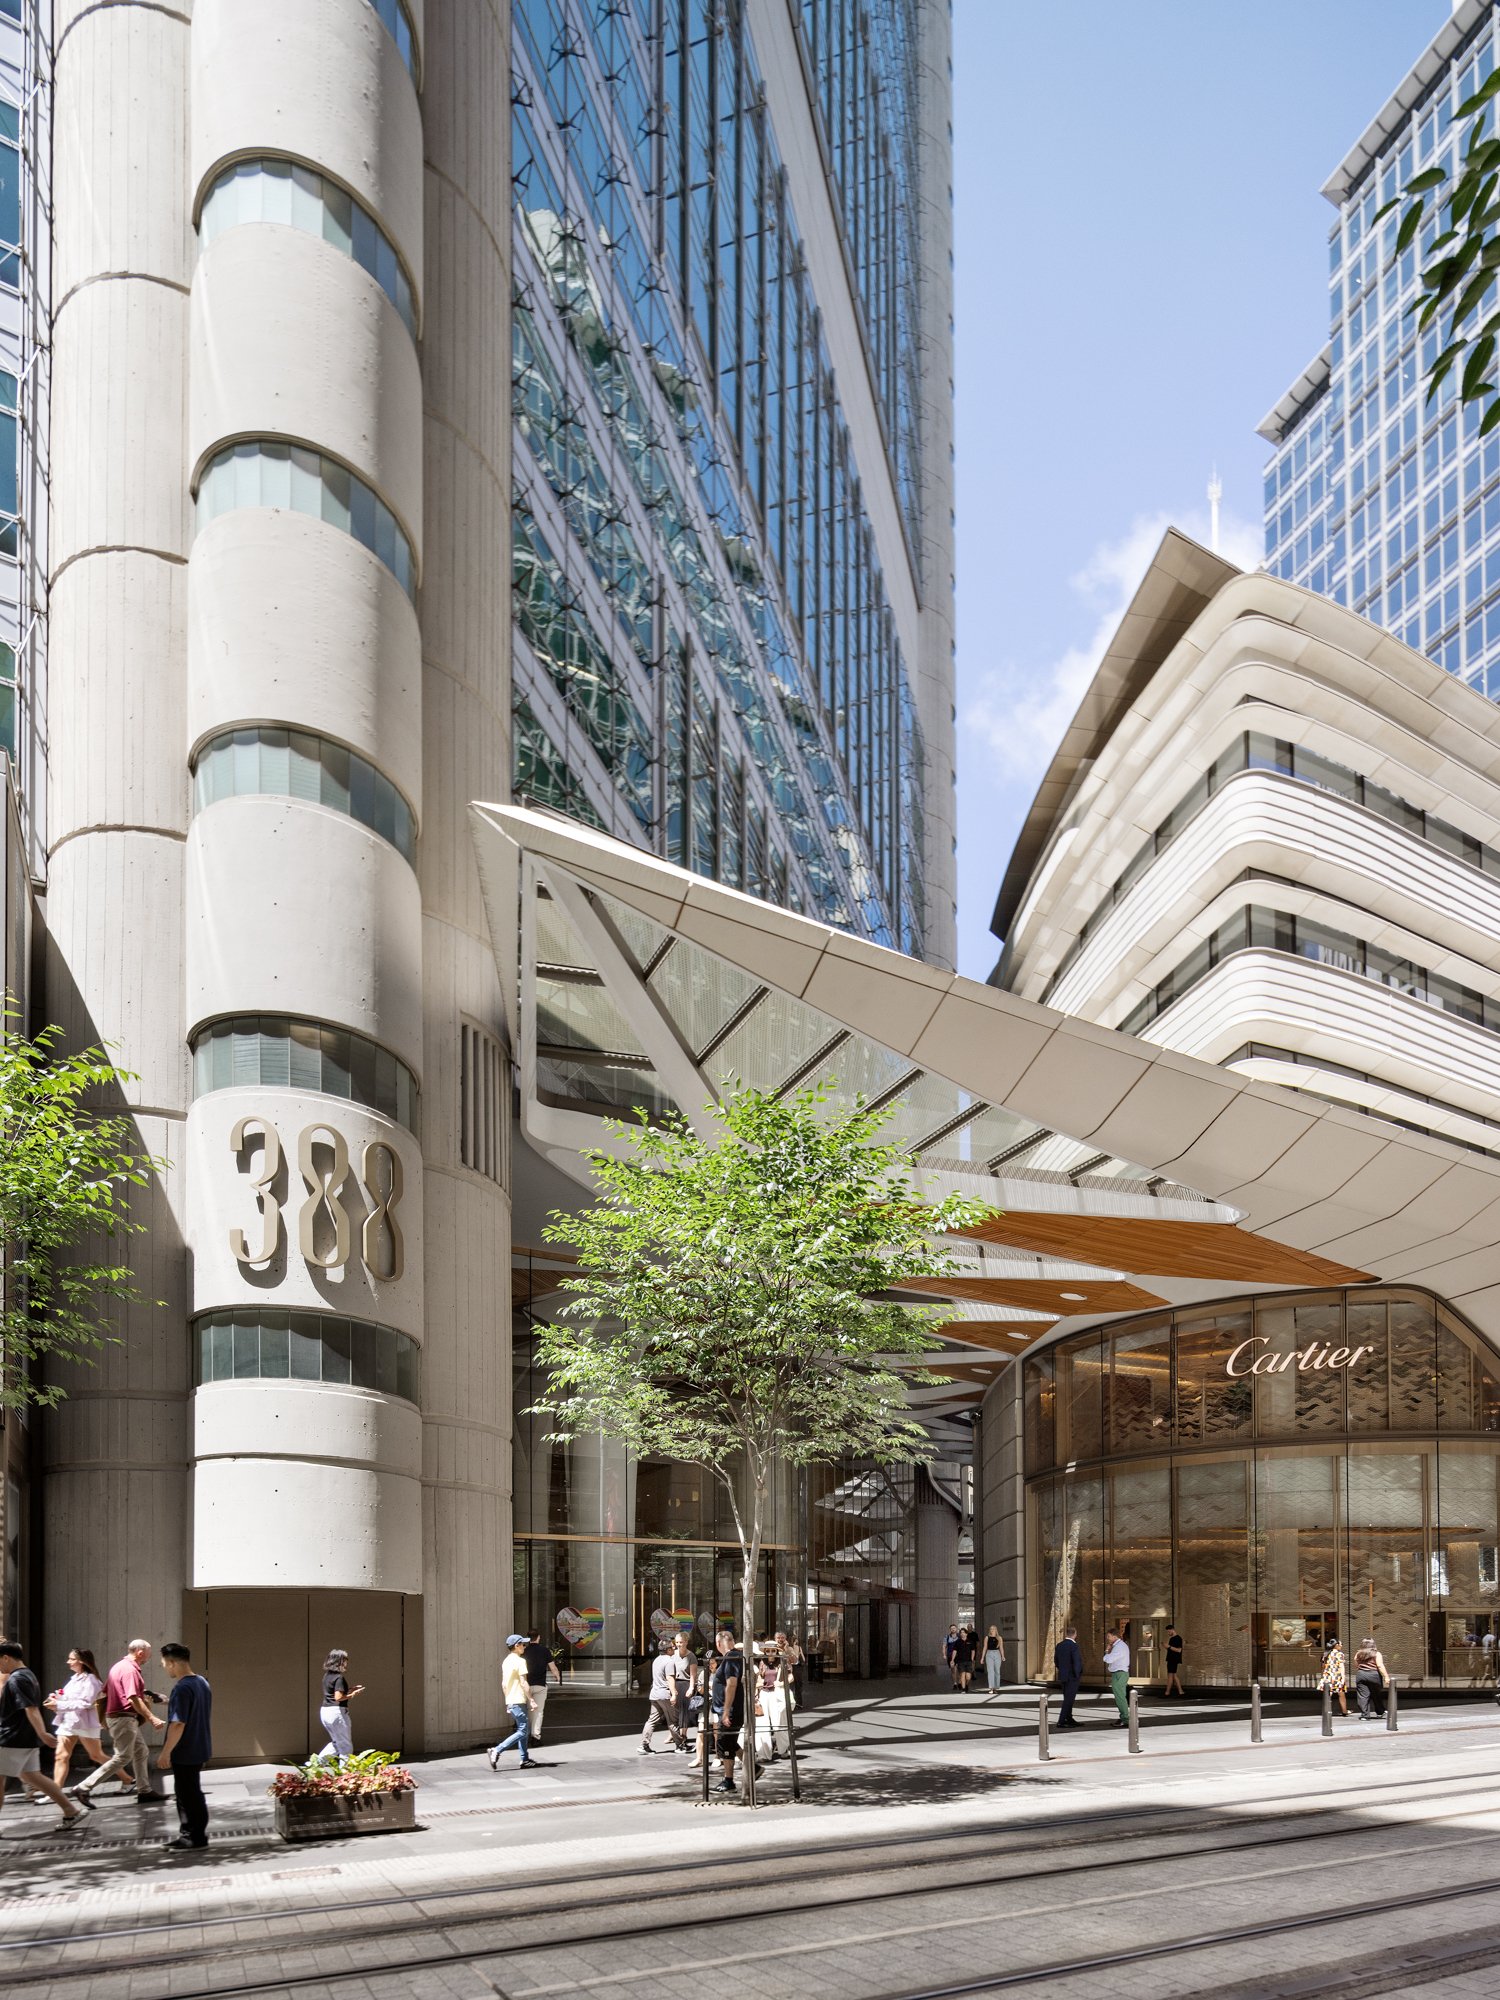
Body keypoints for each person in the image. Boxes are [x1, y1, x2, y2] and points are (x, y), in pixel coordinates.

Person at [0, 1640, 87, 1829]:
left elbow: (30, 1708)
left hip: (12, 1739)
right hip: (25, 1738)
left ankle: (71, 1810)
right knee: (33, 1776)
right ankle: (71, 1811)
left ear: (5, 1658)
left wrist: (42, 1733)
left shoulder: (17, 1679)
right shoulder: (28, 1675)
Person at [72, 1637, 167, 1807]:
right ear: (140, 1653)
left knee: (141, 1751)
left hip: (119, 1718)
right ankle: (83, 1787)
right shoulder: (130, 1670)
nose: (149, 1657)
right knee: (123, 1756)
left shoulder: (118, 1667)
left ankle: (144, 1790)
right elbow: (132, 1698)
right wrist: (152, 1718)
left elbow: (107, 1692)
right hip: (124, 1718)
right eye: (149, 1653)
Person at [156, 1643, 213, 1850]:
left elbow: (178, 1724)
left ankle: (192, 1837)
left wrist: (165, 1752)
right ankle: (197, 1835)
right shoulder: (201, 1682)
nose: (164, 1668)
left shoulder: (181, 1688)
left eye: (164, 1664)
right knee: (193, 1792)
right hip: (200, 1746)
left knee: (186, 1795)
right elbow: (192, 1706)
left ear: (172, 1663)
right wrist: (167, 1702)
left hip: (185, 1750)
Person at [46, 1648, 108, 1789]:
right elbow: (69, 1698)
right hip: (68, 1722)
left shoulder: (91, 1680)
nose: (68, 1662)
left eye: (72, 1659)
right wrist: (56, 1699)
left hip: (85, 1723)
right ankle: (56, 1791)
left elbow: (85, 1703)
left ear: (82, 1661)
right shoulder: (74, 1679)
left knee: (96, 1756)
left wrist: (59, 1704)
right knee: (61, 1756)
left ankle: (127, 1779)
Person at [710, 1629, 753, 1794]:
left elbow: (732, 1683)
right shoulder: (731, 1657)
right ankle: (752, 1768)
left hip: (730, 1710)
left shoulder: (732, 1657)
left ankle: (729, 1780)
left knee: (725, 1743)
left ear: (718, 1643)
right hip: (727, 1709)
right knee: (729, 1742)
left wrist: (726, 1711)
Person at [487, 1634, 538, 1770]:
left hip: (511, 1700)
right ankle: (496, 1750)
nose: (524, 1647)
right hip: (519, 1699)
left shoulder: (506, 1661)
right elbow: (523, 1682)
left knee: (522, 1729)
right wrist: (531, 1699)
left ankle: (524, 1759)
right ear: (516, 1646)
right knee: (523, 1731)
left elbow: (504, 1684)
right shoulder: (520, 1661)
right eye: (523, 1644)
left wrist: (508, 1702)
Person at [640, 1637, 687, 1753]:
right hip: (665, 1694)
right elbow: (670, 1678)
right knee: (673, 1720)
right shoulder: (669, 1661)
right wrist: (674, 1694)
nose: (674, 1648)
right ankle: (680, 1746)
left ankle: (644, 1745)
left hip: (655, 1694)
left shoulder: (656, 1660)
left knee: (651, 1720)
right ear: (668, 1650)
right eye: (672, 1647)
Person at [318, 1649, 363, 1759]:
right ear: (340, 1662)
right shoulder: (339, 1677)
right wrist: (353, 1694)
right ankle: (345, 1769)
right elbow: (338, 1697)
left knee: (337, 1742)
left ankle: (315, 1763)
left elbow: (333, 1693)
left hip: (325, 1711)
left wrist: (350, 1690)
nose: (346, 1663)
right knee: (345, 1745)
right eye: (345, 1660)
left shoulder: (327, 1676)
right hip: (337, 1712)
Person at [523, 1634, 560, 1744]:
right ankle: (535, 1736)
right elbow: (553, 1667)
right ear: (538, 1637)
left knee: (529, 1710)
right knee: (538, 1712)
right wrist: (557, 1676)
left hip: (527, 1685)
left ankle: (527, 1734)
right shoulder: (545, 1651)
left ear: (528, 1638)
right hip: (540, 1685)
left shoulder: (524, 1651)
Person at [1353, 1636, 1389, 1720]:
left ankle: (1365, 1715)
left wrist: (1360, 1668)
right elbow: (1380, 1665)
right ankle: (1380, 1712)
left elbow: (1355, 1662)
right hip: (1374, 1675)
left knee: (1363, 1696)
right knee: (1376, 1694)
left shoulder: (1358, 1653)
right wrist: (1386, 1676)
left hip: (1361, 1674)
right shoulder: (1376, 1653)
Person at [1054, 1624, 1082, 1729]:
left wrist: (1062, 1670)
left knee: (1067, 1698)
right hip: (1072, 1677)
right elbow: (1076, 1662)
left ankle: (1069, 1718)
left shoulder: (1059, 1645)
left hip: (1063, 1676)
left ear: (1066, 1634)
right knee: (1068, 1700)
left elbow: (1056, 1661)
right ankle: (1061, 1721)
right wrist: (1077, 1674)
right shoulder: (1074, 1646)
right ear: (1075, 1634)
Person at [1103, 1626, 1131, 1727]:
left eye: (1109, 1636)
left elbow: (1108, 1659)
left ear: (1115, 1636)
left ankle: (1125, 1719)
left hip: (1119, 1674)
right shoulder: (1119, 1646)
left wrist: (1107, 1651)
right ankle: (1124, 1717)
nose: (1107, 1638)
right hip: (1119, 1673)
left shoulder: (1119, 1647)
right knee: (1120, 1696)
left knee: (1120, 1697)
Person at [1319, 1635, 1349, 1717]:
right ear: (1336, 1645)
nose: (1341, 1645)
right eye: (1340, 1644)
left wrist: (1323, 1675)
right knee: (1341, 1694)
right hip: (1337, 1676)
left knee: (1328, 1694)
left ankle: (1326, 1710)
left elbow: (1322, 1666)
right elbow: (1341, 1666)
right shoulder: (1339, 1654)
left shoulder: (1325, 1654)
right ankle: (1344, 1711)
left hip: (1327, 1675)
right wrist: (1343, 1678)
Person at [979, 1623, 1006, 1694]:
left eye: (993, 1629)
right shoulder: (987, 1637)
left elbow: (1001, 1648)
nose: (992, 1630)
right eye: (991, 1629)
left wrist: (1003, 1656)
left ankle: (995, 1688)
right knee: (990, 1671)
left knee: (997, 1671)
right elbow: (985, 1647)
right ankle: (991, 1688)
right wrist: (982, 1658)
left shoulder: (999, 1638)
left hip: (997, 1653)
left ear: (996, 1630)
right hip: (989, 1654)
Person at [1164, 1626, 1185, 1699]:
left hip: (1173, 1660)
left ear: (1173, 1630)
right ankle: (1180, 1691)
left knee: (1171, 1675)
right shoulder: (1172, 1639)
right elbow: (1172, 1649)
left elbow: (1179, 1650)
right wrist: (1167, 1647)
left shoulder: (1178, 1638)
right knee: (1173, 1675)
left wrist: (1168, 1647)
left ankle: (1167, 1693)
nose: (1168, 1633)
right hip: (1171, 1659)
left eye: (1169, 1631)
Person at [953, 1625, 975, 1692]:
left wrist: (972, 1659)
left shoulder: (970, 1641)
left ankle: (967, 1684)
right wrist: (952, 1659)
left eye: (963, 1632)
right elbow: (954, 1651)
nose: (962, 1634)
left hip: (968, 1661)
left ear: (966, 1634)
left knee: (968, 1677)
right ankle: (963, 1689)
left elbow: (973, 1650)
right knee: (962, 1675)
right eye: (961, 1632)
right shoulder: (957, 1642)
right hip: (960, 1661)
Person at [943, 1623, 960, 1687]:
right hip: (950, 1655)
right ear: (950, 1629)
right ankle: (955, 1683)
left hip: (959, 1655)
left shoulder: (960, 1636)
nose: (953, 1629)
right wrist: (944, 1654)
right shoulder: (947, 1637)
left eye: (954, 1628)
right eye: (951, 1628)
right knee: (953, 1669)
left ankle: (959, 1682)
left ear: (956, 1629)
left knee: (958, 1669)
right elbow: (944, 1646)